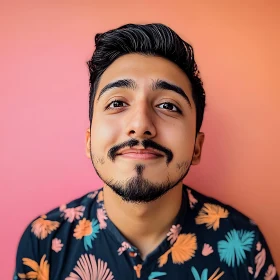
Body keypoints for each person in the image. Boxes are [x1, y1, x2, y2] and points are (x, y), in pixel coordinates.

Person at [14, 23, 278, 280]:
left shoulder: (243, 243)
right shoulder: (44, 241)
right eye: (117, 102)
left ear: (197, 148)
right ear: (89, 140)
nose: (140, 126)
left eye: (168, 105)